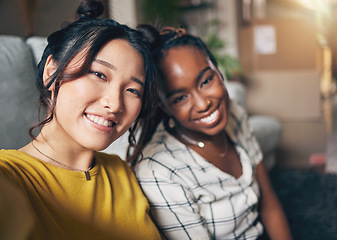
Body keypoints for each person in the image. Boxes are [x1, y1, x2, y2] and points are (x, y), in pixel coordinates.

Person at [0, 1, 161, 239]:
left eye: (133, 90)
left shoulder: (122, 173)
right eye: (98, 74)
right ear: (51, 73)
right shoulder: (10, 175)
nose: (115, 104)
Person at [129, 25, 292, 240]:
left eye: (206, 81)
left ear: (219, 71)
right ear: (165, 107)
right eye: (180, 98)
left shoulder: (235, 114)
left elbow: (269, 202)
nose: (203, 103)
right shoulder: (159, 172)